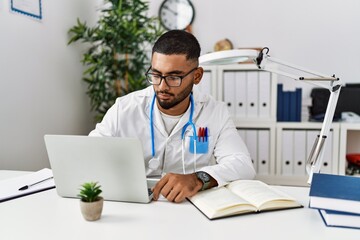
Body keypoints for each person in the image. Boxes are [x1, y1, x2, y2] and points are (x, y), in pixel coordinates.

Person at [89, 30, 255, 203]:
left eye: (174, 77)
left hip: (188, 207)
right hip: (135, 205)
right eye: (156, 75)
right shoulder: (124, 108)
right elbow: (89, 152)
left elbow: (242, 164)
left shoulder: (214, 112)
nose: (162, 86)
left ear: (197, 76)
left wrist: (198, 178)